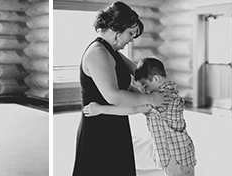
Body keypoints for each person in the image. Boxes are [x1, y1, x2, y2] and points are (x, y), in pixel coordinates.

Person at [73, 1, 170, 175]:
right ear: (115, 28)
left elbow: (135, 77)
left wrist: (157, 93)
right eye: (130, 33)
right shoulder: (98, 53)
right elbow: (115, 96)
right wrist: (152, 99)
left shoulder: (112, 51)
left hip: (115, 123)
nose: (132, 40)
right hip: (98, 128)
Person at [83, 57, 197, 176]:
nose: (144, 91)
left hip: (177, 157)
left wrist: (100, 109)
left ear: (156, 79)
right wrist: (117, 56)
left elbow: (133, 108)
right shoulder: (167, 92)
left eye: (146, 86)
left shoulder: (162, 99)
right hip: (178, 153)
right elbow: (140, 99)